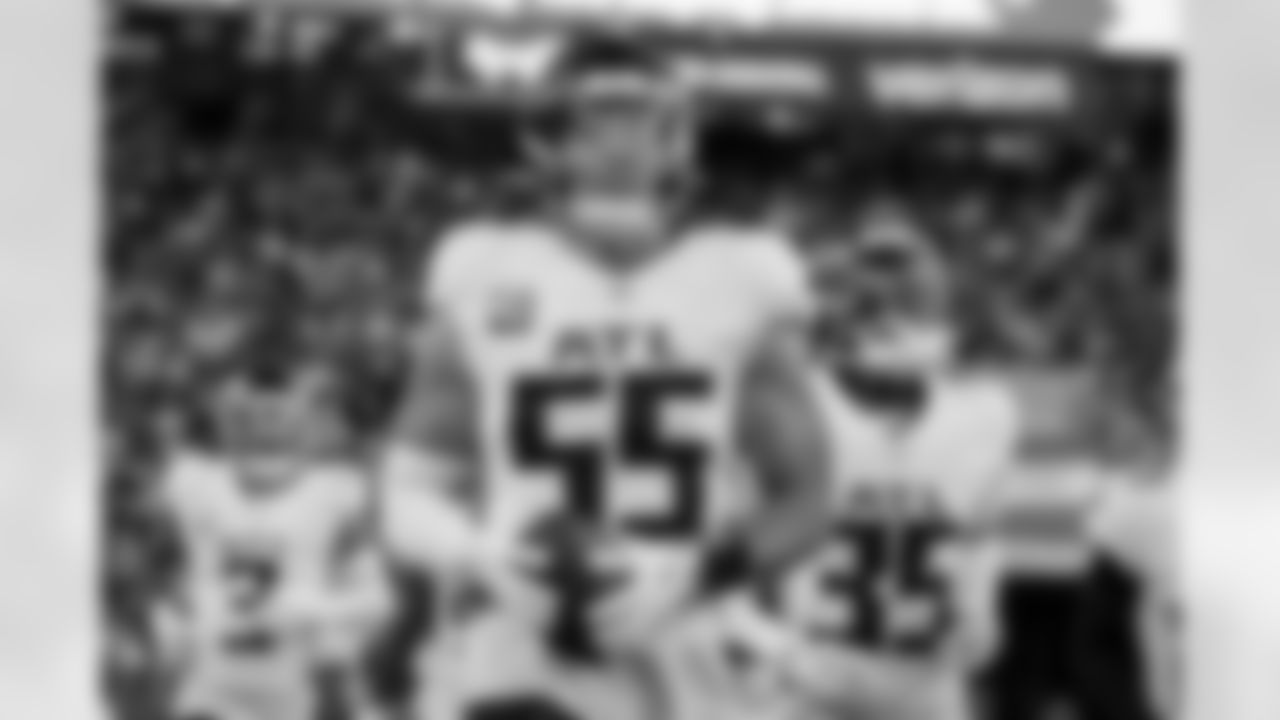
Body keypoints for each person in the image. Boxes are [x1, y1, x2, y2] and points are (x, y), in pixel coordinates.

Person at [377, 37, 834, 720]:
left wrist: (690, 577)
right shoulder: (484, 270)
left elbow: (808, 497)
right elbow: (408, 490)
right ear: (549, 134)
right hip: (522, 639)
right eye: (594, 121)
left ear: (678, 134)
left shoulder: (741, 276)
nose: (620, 145)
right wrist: (485, 557)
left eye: (642, 119)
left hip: (689, 638)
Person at [712, 209, 1025, 720]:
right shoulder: (793, 408)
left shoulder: (984, 416)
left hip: (926, 679)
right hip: (805, 671)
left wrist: (978, 610)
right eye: (881, 302)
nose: (898, 312)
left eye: (914, 301)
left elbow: (981, 538)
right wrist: (761, 642)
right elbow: (714, 557)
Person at [150, 336, 390, 720]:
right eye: (247, 412)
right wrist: (171, 627)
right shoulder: (188, 484)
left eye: (274, 412)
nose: (262, 424)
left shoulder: (339, 495)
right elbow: (157, 591)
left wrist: (311, 609)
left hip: (300, 691)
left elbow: (376, 602)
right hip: (211, 691)